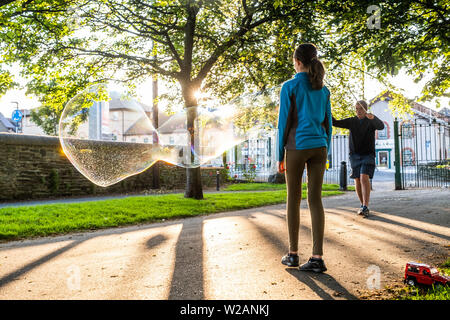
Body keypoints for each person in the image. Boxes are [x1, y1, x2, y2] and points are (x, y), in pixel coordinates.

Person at [277, 43, 332, 273]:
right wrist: (325, 148)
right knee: (315, 200)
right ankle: (317, 258)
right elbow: (328, 123)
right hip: (319, 147)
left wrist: (280, 154)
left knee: (293, 198)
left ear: (297, 62)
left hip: (296, 147)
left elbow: (283, 124)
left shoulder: (289, 87)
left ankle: (293, 255)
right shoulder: (323, 89)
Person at [332, 100, 385, 217]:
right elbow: (334, 122)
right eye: (356, 109)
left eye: (360, 109)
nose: (358, 111)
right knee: (357, 179)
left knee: (363, 177)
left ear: (365, 109)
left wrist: (373, 118)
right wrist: (326, 109)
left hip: (368, 154)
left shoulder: (371, 121)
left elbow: (381, 126)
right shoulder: (352, 121)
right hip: (354, 155)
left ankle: (365, 205)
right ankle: (362, 205)